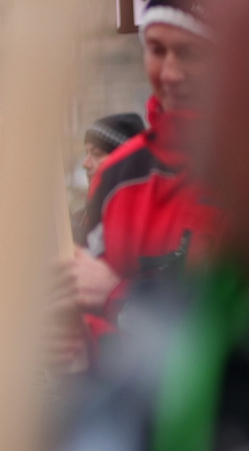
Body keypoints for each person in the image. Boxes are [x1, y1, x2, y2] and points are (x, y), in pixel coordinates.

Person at [54, 0, 227, 362]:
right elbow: (87, 313)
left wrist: (119, 299)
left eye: (190, 52)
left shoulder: (235, 176)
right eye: (156, 50)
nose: (170, 73)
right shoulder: (119, 175)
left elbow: (225, 348)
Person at [72, 113, 145, 244]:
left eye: (96, 154)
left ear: (125, 162)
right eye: (86, 153)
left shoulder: (151, 230)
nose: (85, 164)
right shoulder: (76, 223)